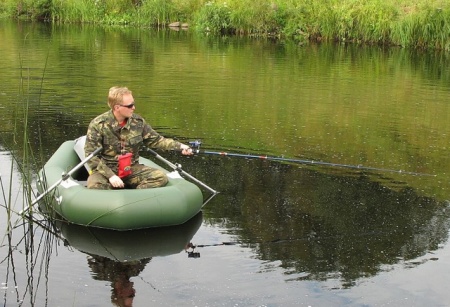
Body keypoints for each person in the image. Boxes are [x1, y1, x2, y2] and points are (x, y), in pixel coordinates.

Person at [84, 86, 192, 190]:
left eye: (133, 104)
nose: (134, 108)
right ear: (117, 107)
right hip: (106, 170)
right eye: (130, 106)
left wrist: (180, 146)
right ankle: (115, 199)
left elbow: (156, 140)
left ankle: (134, 198)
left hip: (130, 168)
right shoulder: (98, 124)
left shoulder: (138, 122)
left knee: (160, 177)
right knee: (95, 185)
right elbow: (91, 156)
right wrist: (111, 176)